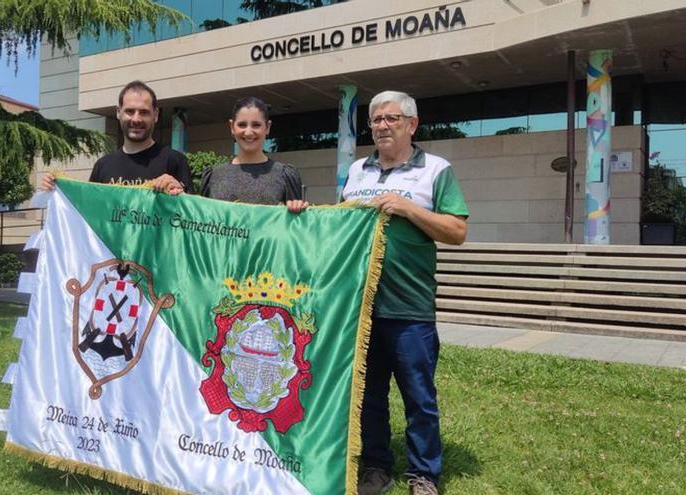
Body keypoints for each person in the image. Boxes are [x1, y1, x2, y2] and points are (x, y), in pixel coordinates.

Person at [341, 91, 469, 495]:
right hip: (361, 309)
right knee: (370, 398)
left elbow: (457, 231)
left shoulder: (435, 169)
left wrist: (408, 208)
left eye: (391, 118)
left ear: (411, 124)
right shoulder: (357, 170)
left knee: (419, 397)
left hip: (410, 308)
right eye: (376, 120)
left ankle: (424, 475)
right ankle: (376, 468)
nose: (381, 126)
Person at [156, 96, 307, 212]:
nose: (248, 132)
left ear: (267, 127)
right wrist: (179, 196)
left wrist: (299, 209)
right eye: (242, 125)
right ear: (232, 127)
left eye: (256, 125)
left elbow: (295, 232)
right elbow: (201, 222)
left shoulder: (285, 175)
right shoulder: (213, 176)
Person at [42, 80, 191, 192]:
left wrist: (181, 191)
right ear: (118, 112)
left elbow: (195, 217)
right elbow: (89, 212)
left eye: (144, 112)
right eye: (130, 111)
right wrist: (58, 190)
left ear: (156, 115)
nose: (136, 119)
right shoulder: (103, 166)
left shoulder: (175, 161)